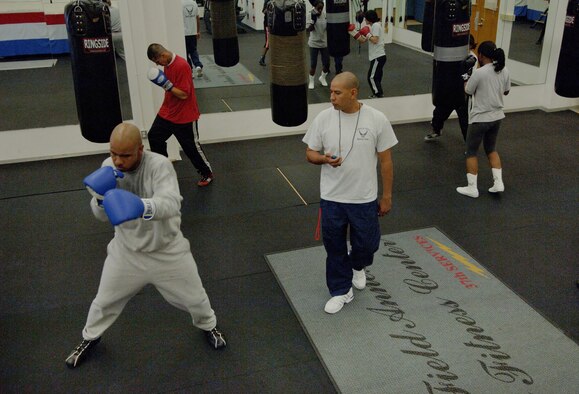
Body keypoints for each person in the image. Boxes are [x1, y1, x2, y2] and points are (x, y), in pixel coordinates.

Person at [65, 123, 226, 369]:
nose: (117, 161)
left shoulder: (159, 165)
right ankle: (89, 338)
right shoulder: (108, 168)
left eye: (125, 155)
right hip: (126, 252)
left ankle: (209, 326)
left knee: (195, 297)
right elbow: (102, 216)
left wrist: (142, 206)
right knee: (104, 301)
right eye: (113, 153)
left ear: (140, 150)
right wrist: (98, 200)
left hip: (167, 251)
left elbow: (172, 203)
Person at [302, 72, 398, 314]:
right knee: (334, 247)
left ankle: (358, 265)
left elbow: (386, 161)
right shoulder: (324, 118)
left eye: (337, 93)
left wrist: (386, 196)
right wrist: (323, 159)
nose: (331, 97)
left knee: (367, 245)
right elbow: (310, 153)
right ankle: (340, 291)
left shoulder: (377, 119)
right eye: (331, 92)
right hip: (332, 198)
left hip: (363, 198)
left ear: (353, 93)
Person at [146, 43, 214, 187]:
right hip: (168, 112)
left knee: (191, 148)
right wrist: (166, 84)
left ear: (163, 55)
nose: (158, 65)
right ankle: (163, 172)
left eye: (157, 61)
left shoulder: (182, 65)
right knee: (154, 137)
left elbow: (183, 94)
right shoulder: (167, 64)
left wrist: (166, 85)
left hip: (185, 115)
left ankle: (206, 173)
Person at [457, 41, 510, 198]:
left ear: (480, 55)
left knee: (471, 151)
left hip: (480, 118)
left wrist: (466, 78)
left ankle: (472, 188)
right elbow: (506, 92)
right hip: (497, 117)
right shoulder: (504, 69)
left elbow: (468, 91)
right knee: (491, 149)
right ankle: (498, 183)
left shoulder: (479, 73)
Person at [423, 35, 478, 142]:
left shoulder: (472, 58)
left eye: (468, 46)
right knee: (438, 113)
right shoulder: (452, 54)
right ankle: (436, 131)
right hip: (449, 91)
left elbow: (470, 74)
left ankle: (469, 143)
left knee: (465, 120)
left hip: (462, 94)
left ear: (471, 46)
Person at [350, 10, 386, 98]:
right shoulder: (371, 27)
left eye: (366, 18)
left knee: (371, 77)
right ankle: (377, 94)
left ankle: (378, 95)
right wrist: (352, 32)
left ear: (369, 19)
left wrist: (367, 34)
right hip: (377, 56)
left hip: (378, 56)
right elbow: (362, 40)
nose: (365, 20)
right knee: (376, 77)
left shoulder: (376, 25)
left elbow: (375, 40)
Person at [306, 0, 330, 89]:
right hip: (313, 42)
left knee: (327, 63)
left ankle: (322, 78)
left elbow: (328, 27)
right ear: (315, 7)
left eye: (321, 8)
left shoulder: (325, 15)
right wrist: (313, 20)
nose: (320, 10)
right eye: (318, 8)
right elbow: (309, 30)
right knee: (313, 64)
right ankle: (311, 81)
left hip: (324, 42)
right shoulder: (310, 14)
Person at [182, 0, 204, 78]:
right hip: (193, 32)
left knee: (186, 53)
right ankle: (198, 65)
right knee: (193, 50)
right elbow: (197, 18)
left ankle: (190, 71)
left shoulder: (179, 4)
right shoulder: (194, 3)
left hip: (183, 33)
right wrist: (198, 31)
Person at [258, 0, 272, 66]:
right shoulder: (267, 1)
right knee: (268, 42)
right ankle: (262, 58)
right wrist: (269, 8)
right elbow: (263, 11)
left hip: (274, 24)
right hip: (268, 24)